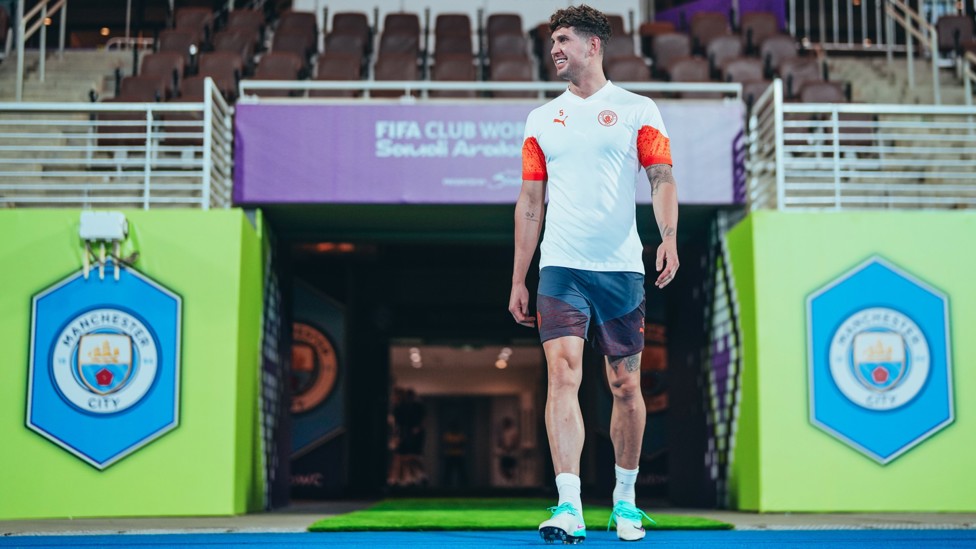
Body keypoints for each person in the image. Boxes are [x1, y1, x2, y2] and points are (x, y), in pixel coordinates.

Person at [508, 4, 680, 544]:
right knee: (563, 376)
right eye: (552, 41)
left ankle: (625, 504)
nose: (554, 49)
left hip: (621, 269)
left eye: (563, 39)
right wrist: (520, 276)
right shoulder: (540, 119)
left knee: (625, 384)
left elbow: (661, 178)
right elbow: (530, 201)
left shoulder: (637, 109)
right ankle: (568, 506)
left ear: (593, 45)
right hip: (560, 268)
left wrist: (669, 237)